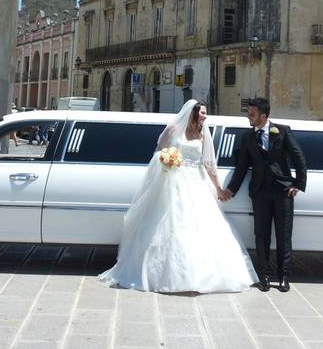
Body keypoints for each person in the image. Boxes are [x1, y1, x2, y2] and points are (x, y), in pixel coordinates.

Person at [99, 100, 257, 293]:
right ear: (192, 113)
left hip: (197, 184)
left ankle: (198, 275)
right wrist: (167, 161)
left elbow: (209, 164)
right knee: (168, 224)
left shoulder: (203, 134)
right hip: (172, 183)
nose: (205, 116)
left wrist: (218, 189)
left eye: (206, 113)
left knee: (199, 227)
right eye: (202, 113)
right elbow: (158, 154)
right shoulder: (173, 130)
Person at [221, 97, 306, 293]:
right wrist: (230, 190)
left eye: (251, 114)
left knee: (284, 235)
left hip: (283, 192)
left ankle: (284, 277)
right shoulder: (248, 137)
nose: (248, 117)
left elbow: (299, 158)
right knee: (261, 235)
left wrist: (298, 184)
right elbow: (241, 167)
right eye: (248, 113)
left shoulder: (283, 131)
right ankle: (264, 276)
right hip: (259, 193)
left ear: (263, 115)